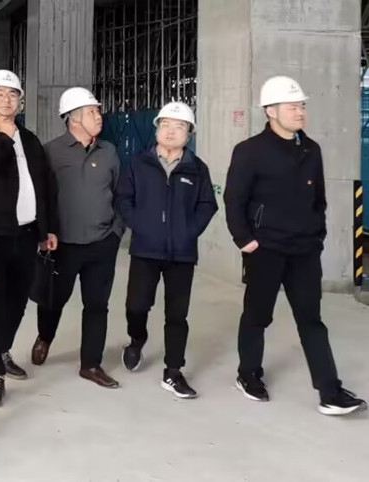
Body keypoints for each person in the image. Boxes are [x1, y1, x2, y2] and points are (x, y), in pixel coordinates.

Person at [224, 76, 366, 416]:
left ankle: (330, 391)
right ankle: (248, 375)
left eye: (302, 106)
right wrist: (245, 240)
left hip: (304, 250)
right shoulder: (250, 151)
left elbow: (319, 199)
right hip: (265, 249)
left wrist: (317, 235)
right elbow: (234, 199)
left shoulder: (311, 150)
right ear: (271, 111)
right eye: (292, 106)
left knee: (311, 319)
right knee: (257, 316)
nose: (300, 112)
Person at [0, 69, 56, 407]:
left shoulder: (29, 139)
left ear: (21, 102)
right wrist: (1, 141)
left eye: (13, 94)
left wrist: (47, 229)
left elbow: (45, 185)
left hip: (27, 233)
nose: (6, 100)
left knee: (18, 300)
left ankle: (2, 350)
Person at [117, 102, 218, 399]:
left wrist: (189, 231)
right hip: (145, 249)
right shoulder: (138, 163)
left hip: (181, 253)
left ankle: (173, 371)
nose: (171, 131)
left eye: (179, 126)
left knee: (177, 314)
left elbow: (207, 205)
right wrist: (140, 225)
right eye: (166, 125)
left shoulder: (197, 169)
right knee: (136, 306)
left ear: (189, 133)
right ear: (157, 129)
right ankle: (137, 339)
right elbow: (123, 198)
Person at [32, 87, 125, 389]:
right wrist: (44, 232)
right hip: (63, 245)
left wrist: (116, 232)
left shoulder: (109, 152)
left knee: (97, 305)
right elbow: (41, 197)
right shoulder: (51, 152)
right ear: (72, 119)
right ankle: (45, 336)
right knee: (52, 300)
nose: (98, 116)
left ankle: (91, 364)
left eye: (98, 111)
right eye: (91, 112)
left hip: (102, 243)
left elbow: (120, 192)